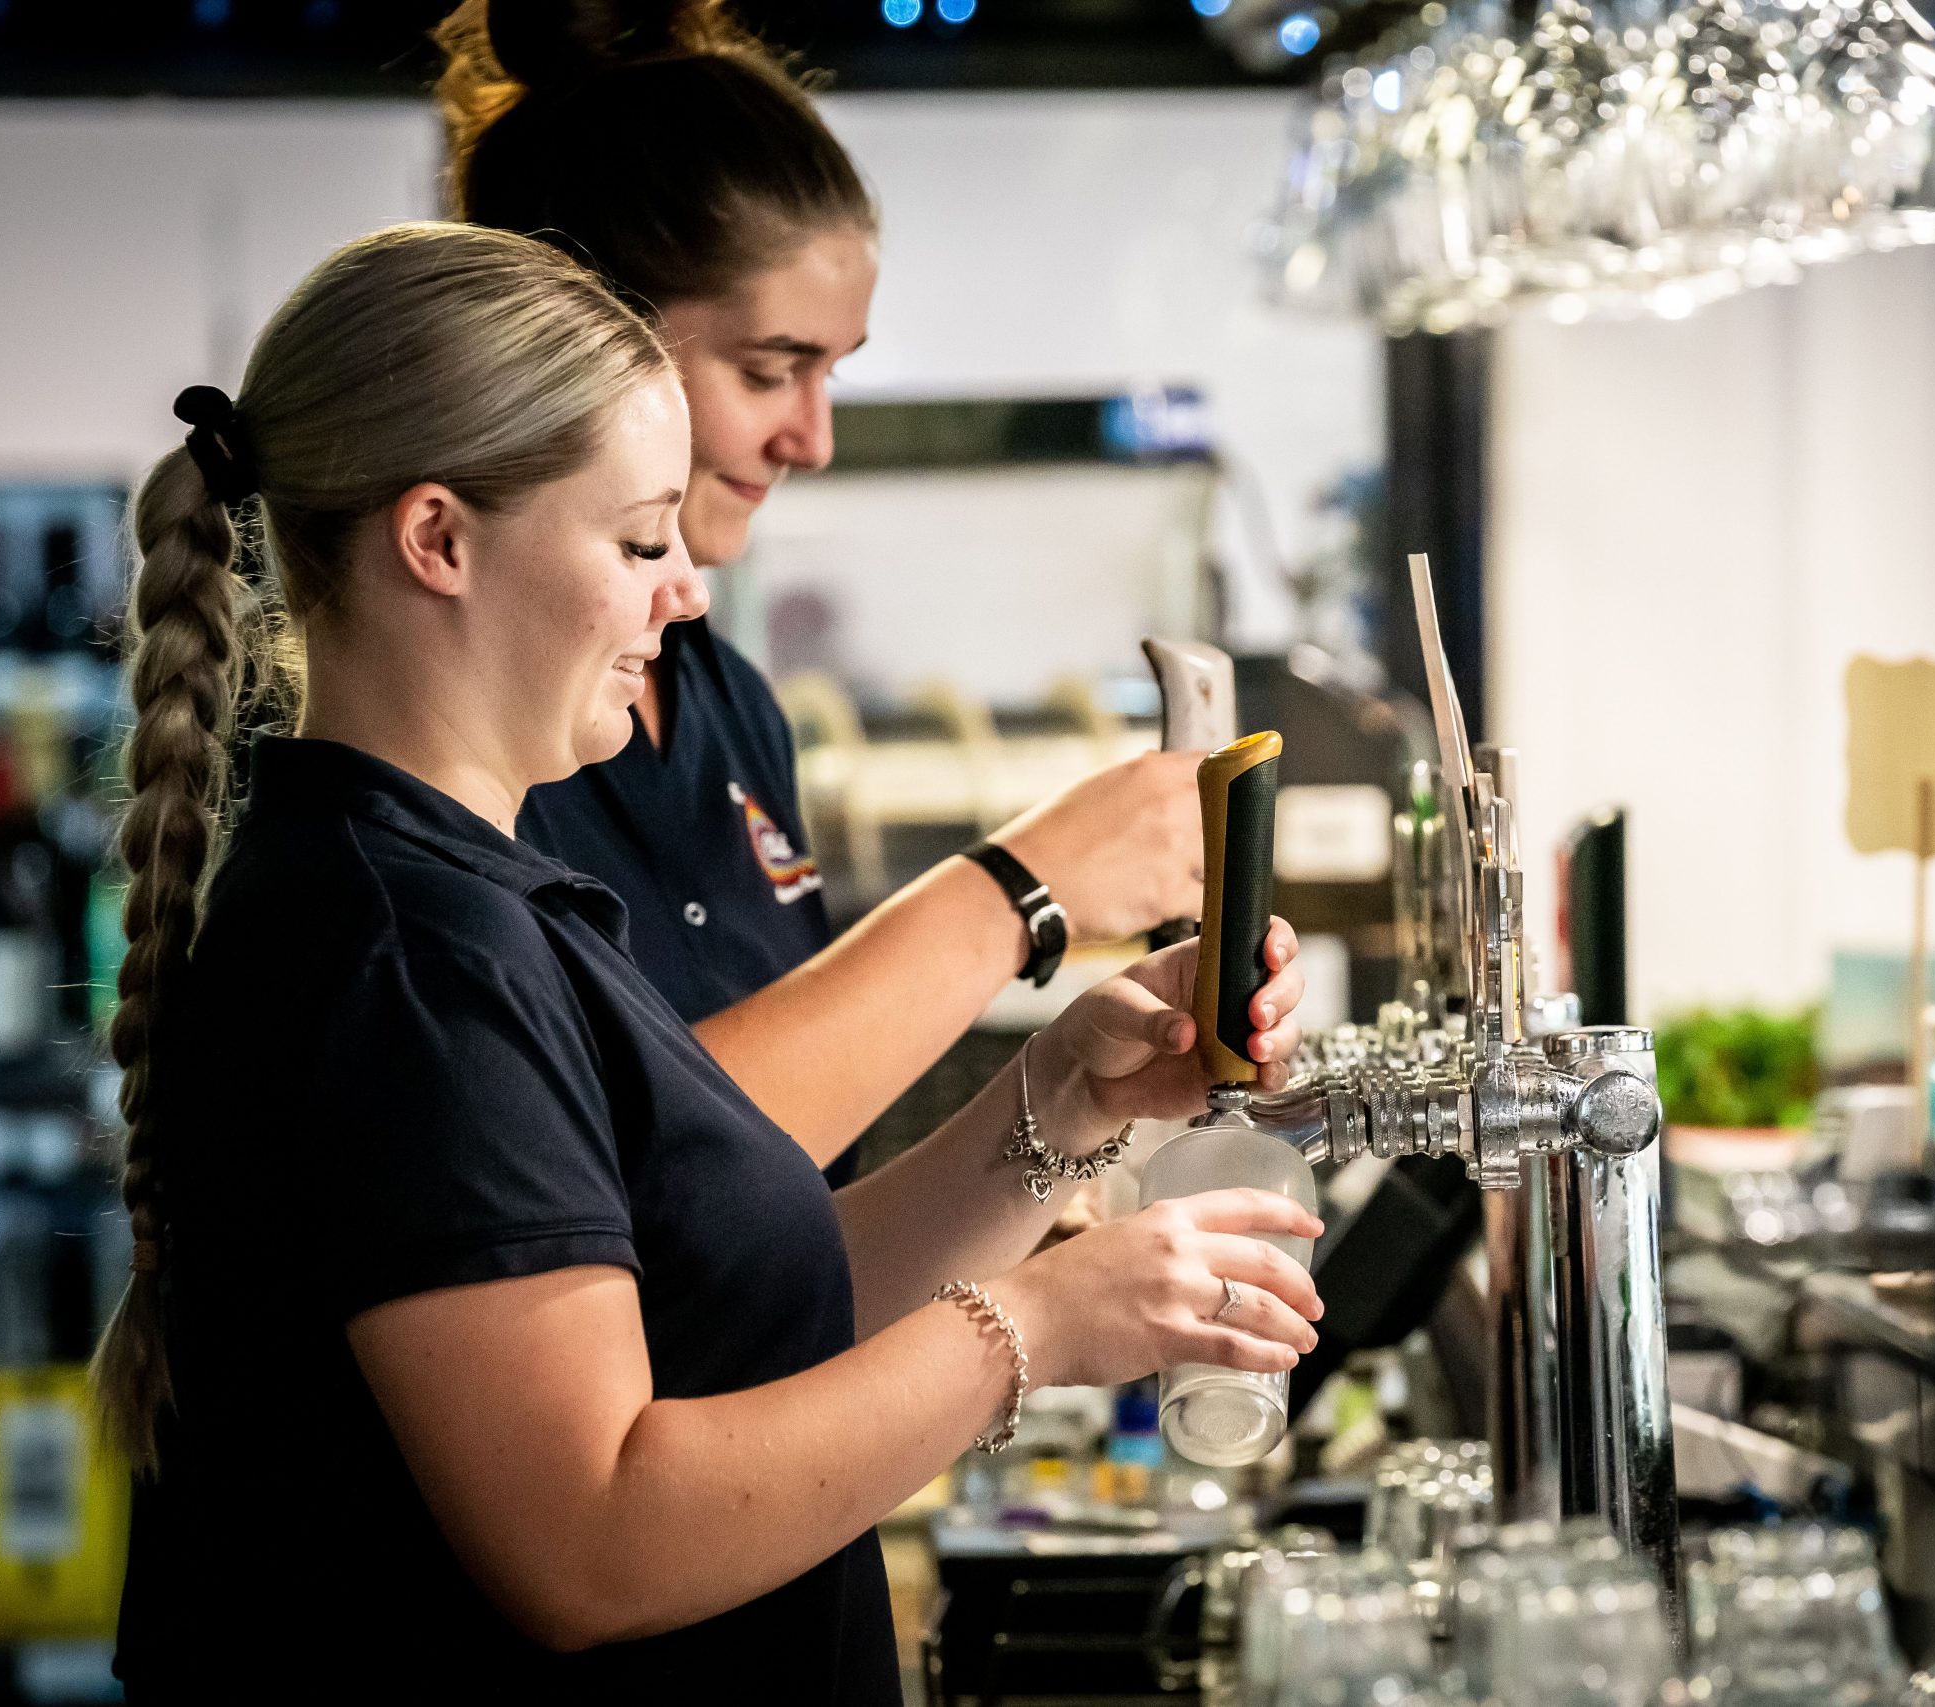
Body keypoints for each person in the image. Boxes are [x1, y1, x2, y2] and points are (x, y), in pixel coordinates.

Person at [98, 222, 1318, 1699]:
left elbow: (747, 1317)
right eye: (635, 539)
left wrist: (1058, 1104)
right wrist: (1041, 1327)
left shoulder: (486, 901)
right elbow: (594, 1535)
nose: (684, 592)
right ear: (438, 539)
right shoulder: (405, 953)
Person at [432, 0, 1208, 1181]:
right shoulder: (453, 731)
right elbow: (635, 1176)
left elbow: (779, 1215)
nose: (813, 437)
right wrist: (1020, 885)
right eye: (770, 369)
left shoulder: (723, 699)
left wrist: (1047, 1133)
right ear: (586, 336)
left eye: (831, 373)